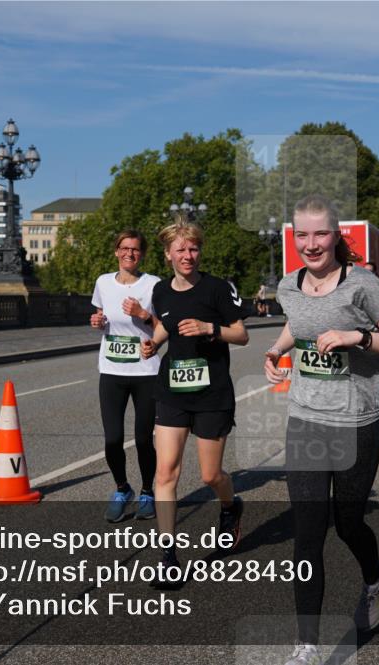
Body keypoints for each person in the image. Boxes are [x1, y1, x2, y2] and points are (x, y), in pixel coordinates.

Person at [262, 195, 379, 665]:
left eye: (320, 234)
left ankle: (375, 579)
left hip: (357, 422)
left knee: (348, 523)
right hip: (306, 417)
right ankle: (306, 646)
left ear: (336, 237)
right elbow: (299, 322)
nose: (311, 244)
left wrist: (357, 336)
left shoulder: (362, 285)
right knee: (307, 534)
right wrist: (276, 349)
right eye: (301, 235)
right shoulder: (289, 285)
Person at [140, 220, 249, 587]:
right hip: (171, 391)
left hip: (212, 395)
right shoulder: (160, 291)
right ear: (168, 254)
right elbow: (165, 325)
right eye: (181, 250)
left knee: (209, 476)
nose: (188, 256)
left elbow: (243, 334)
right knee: (165, 472)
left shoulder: (218, 289)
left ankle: (230, 506)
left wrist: (209, 329)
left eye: (194, 249)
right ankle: (168, 557)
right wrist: (154, 342)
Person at [90, 230, 160, 522]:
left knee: (143, 440)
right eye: (124, 248)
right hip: (112, 370)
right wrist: (97, 321)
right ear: (116, 252)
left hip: (146, 372)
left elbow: (163, 326)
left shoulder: (154, 284)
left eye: (135, 249)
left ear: (142, 254)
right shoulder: (103, 282)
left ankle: (147, 492)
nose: (130, 253)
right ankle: (122, 488)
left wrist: (144, 314)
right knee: (112, 439)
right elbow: (99, 315)